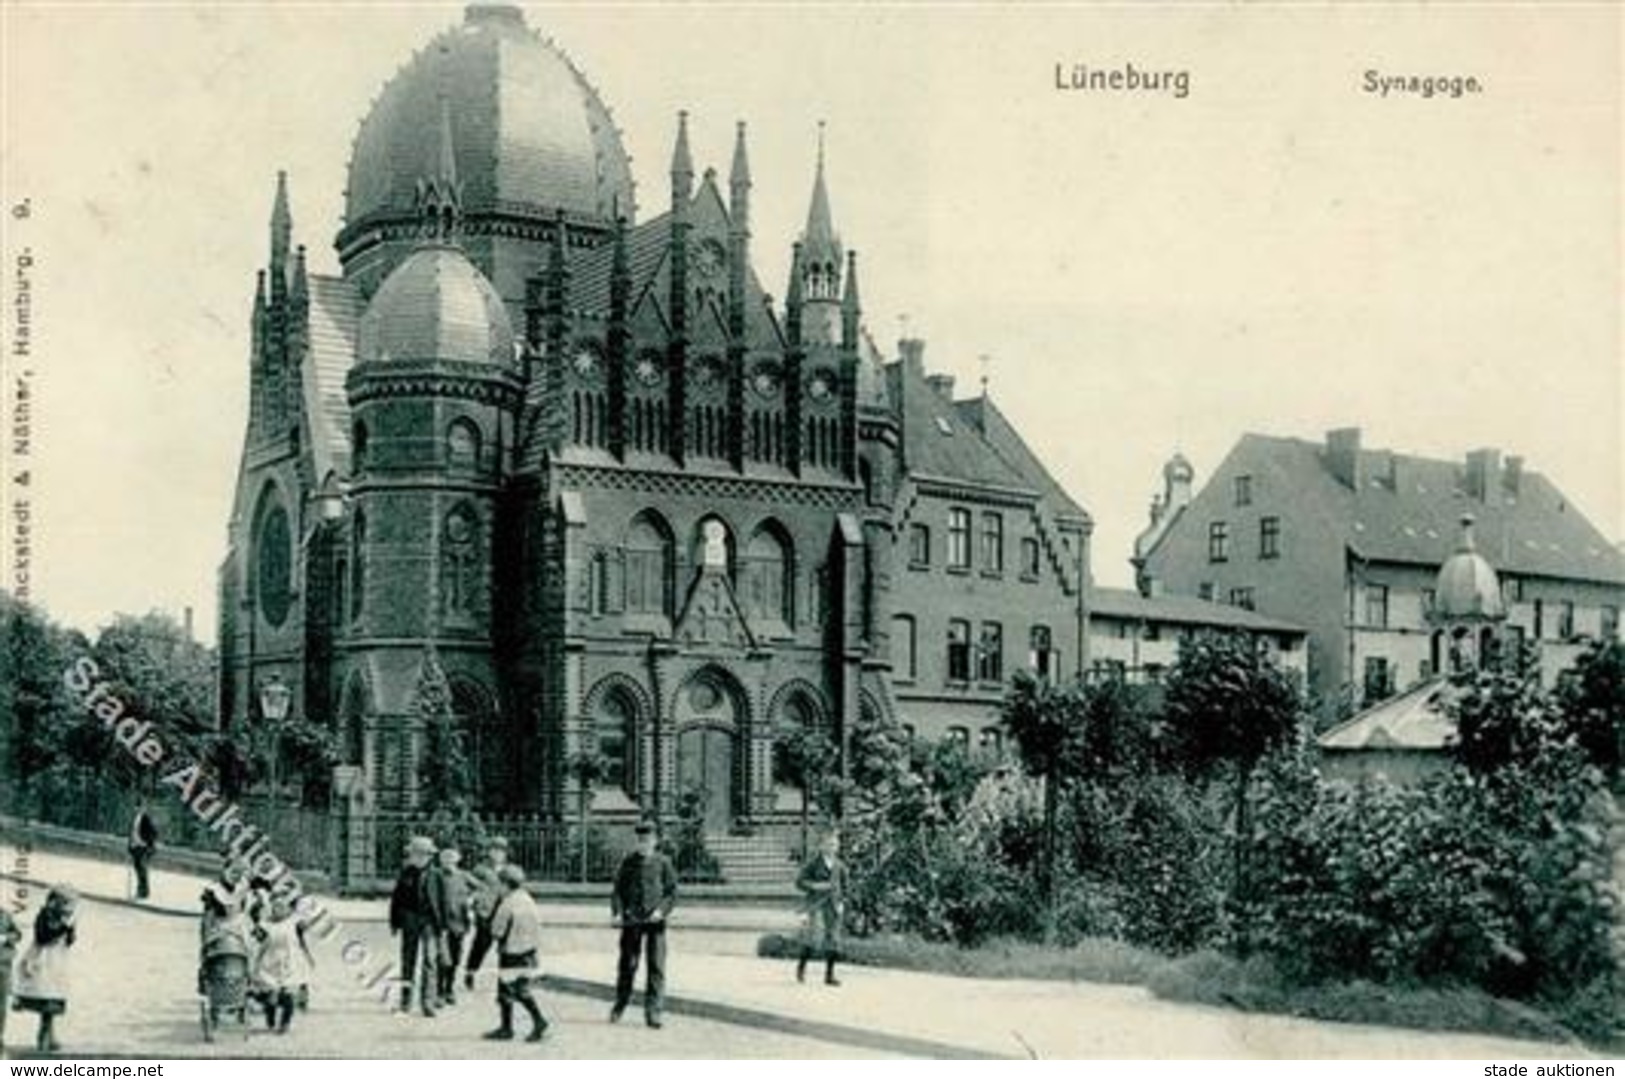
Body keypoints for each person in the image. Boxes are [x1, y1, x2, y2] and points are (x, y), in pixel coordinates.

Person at [609, 820, 677, 1029]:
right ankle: (620, 1003)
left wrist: (661, 911)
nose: (643, 844)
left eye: (647, 840)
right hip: (632, 921)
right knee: (628, 964)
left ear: (655, 841)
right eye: (640, 840)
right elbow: (617, 891)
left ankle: (653, 1013)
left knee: (656, 966)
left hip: (655, 922)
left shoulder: (663, 863)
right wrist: (618, 913)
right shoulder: (628, 862)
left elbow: (671, 892)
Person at [483, 864, 548, 1042]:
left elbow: (497, 931)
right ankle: (507, 1027)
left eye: (499, 884)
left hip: (511, 953)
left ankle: (538, 1021)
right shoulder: (527, 899)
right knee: (514, 989)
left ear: (505, 884)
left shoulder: (507, 903)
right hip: (529, 952)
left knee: (515, 991)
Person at [12, 886, 78, 1053]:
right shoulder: (44, 915)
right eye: (62, 902)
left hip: (57, 960)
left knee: (54, 997)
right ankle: (44, 1036)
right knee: (47, 997)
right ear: (53, 901)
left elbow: (69, 941)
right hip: (43, 959)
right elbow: (43, 937)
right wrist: (64, 927)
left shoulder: (64, 917)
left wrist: (70, 930)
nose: (66, 907)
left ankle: (51, 1035)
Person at [389, 835, 445, 1017]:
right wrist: (394, 922)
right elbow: (396, 900)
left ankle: (427, 1002)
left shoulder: (437, 875)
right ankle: (405, 1001)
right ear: (411, 856)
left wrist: (442, 926)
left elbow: (442, 902)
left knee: (430, 961)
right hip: (410, 919)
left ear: (430, 856)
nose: (420, 858)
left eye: (424, 855)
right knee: (408, 960)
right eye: (416, 855)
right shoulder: (405, 873)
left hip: (429, 921)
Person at [251, 896, 311, 1034]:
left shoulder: (293, 923)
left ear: (289, 910)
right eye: (275, 906)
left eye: (282, 907)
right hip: (269, 964)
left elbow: (306, 924)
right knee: (271, 996)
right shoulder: (265, 925)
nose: (278, 909)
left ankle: (285, 1023)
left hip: (289, 965)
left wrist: (304, 911)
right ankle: (270, 1017)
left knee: (288, 996)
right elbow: (255, 940)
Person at [795, 830, 848, 986]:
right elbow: (799, 882)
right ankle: (801, 968)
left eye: (835, 844)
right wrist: (814, 886)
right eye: (828, 844)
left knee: (833, 939)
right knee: (814, 938)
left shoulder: (840, 866)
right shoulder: (813, 863)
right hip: (816, 904)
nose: (832, 847)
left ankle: (829, 976)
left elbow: (845, 887)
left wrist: (842, 902)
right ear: (821, 846)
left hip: (833, 905)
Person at [463, 836, 509, 990]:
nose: (497, 854)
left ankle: (505, 979)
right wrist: (474, 900)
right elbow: (469, 886)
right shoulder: (481, 869)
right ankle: (471, 972)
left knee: (505, 946)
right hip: (484, 913)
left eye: (501, 851)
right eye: (494, 850)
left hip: (503, 911)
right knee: (482, 944)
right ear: (489, 852)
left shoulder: (508, 870)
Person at [436, 846, 473, 1005]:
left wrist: (471, 901)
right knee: (441, 958)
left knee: (456, 958)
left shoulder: (464, 876)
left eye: (452, 859)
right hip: (441, 924)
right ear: (441, 861)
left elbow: (483, 889)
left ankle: (449, 989)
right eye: (445, 859)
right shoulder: (436, 875)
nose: (449, 862)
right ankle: (438, 991)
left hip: (459, 924)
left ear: (458, 860)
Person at [0, 905, 22, 1054]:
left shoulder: (4, 915)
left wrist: (6, 938)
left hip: (2, 967)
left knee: (1, 1006)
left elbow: (17, 934)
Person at [128, 798, 159, 901]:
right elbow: (132, 832)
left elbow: (154, 832)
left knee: (142, 869)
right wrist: (130, 845)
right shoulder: (134, 818)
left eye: (140, 807)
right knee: (138, 869)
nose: (137, 809)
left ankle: (143, 892)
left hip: (144, 847)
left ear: (143, 808)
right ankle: (141, 891)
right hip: (135, 847)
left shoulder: (146, 818)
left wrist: (148, 843)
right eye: (136, 807)